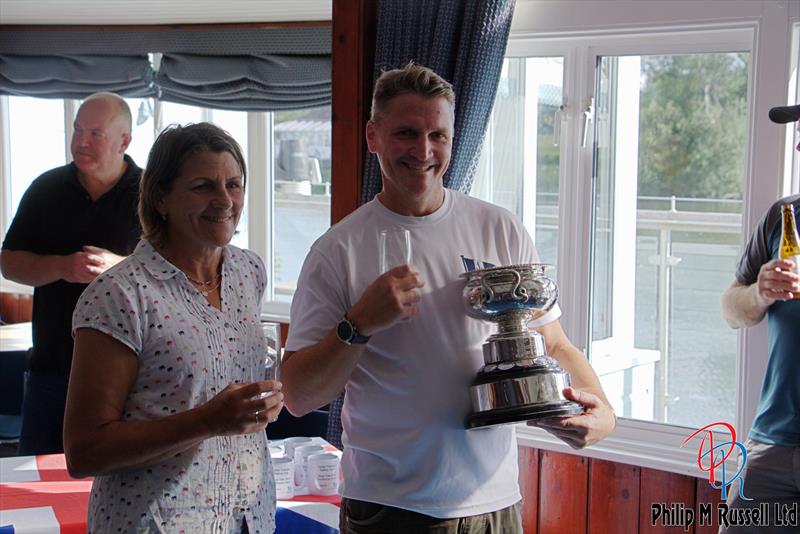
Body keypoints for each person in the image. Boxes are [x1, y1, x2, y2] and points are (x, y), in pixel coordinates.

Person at [281, 63, 616, 533]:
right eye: (405, 133)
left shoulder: (499, 229)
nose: (423, 150)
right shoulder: (338, 251)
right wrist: (358, 325)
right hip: (390, 508)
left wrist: (602, 411)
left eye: (437, 134)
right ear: (373, 136)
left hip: (496, 505)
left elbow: (553, 344)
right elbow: (297, 395)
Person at [62, 123, 284, 533]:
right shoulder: (121, 294)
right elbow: (84, 451)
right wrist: (206, 420)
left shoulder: (247, 271)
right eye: (203, 186)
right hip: (156, 522)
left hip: (248, 516)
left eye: (233, 185)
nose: (224, 201)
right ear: (161, 198)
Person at [0, 92, 142, 455]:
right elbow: (9, 262)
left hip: (130, 376)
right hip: (52, 371)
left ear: (124, 141)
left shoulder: (152, 196)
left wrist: (119, 268)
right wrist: (64, 267)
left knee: (119, 484)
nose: (80, 141)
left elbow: (180, 275)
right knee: (32, 487)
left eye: (95, 133)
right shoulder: (44, 189)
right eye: (78, 129)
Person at [720, 103, 800, 533]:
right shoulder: (783, 216)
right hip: (771, 441)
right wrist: (760, 292)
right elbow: (731, 309)